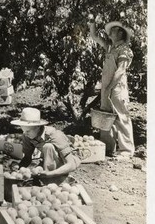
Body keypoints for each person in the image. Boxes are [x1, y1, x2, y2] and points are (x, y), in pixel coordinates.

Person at [88, 18, 135, 157]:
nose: (110, 32)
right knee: (106, 117)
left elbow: (120, 71)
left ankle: (126, 151)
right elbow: (95, 36)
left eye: (113, 29)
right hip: (106, 88)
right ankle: (109, 148)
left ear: (120, 33)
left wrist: (109, 87)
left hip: (117, 88)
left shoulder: (125, 50)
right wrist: (92, 24)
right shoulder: (110, 47)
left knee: (121, 117)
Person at [11, 107, 80, 183]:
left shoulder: (55, 136)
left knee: (48, 146)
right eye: (23, 130)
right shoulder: (27, 136)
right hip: (50, 161)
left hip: (68, 161)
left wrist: (50, 174)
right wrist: (18, 169)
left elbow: (71, 164)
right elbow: (27, 158)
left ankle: (56, 180)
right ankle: (47, 177)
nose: (25, 133)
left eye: (28, 131)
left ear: (38, 127)